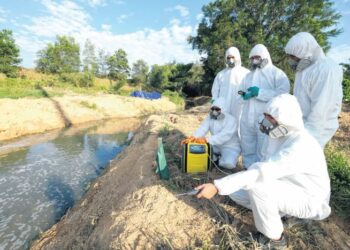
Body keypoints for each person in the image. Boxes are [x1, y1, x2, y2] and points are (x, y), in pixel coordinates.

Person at [195, 94, 331, 249]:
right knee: (236, 191)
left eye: (270, 117)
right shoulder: (280, 137)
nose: (265, 121)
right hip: (287, 187)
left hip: (310, 199)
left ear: (285, 119)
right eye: (265, 115)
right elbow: (263, 164)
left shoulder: (300, 145)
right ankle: (280, 213)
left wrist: (217, 186)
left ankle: (276, 239)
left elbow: (262, 172)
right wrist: (227, 186)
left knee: (257, 187)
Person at [285, 32, 343, 148]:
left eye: (294, 57)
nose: (291, 60)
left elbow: (321, 110)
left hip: (317, 129)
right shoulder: (303, 69)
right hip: (302, 124)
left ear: (306, 53)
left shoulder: (326, 69)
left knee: (307, 160)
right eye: (290, 56)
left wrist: (307, 137)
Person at [239, 44, 290, 168]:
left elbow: (283, 94)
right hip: (247, 117)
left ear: (265, 56)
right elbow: (240, 92)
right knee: (247, 145)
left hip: (265, 118)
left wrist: (260, 93)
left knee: (264, 148)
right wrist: (244, 95)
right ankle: (248, 170)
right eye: (252, 58)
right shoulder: (248, 76)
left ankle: (260, 174)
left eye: (257, 57)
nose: (254, 60)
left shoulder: (277, 73)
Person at [193, 98, 240, 169]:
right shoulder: (210, 117)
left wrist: (206, 140)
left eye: (217, 109)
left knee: (228, 164)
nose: (214, 111)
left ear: (223, 109)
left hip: (230, 147)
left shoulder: (231, 120)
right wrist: (193, 138)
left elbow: (224, 136)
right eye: (213, 109)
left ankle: (220, 159)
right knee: (199, 152)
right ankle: (215, 157)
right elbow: (202, 129)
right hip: (215, 145)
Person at [211, 47, 250, 118]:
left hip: (240, 106)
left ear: (237, 57)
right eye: (228, 58)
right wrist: (214, 101)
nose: (230, 60)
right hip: (224, 106)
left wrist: (246, 95)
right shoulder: (221, 74)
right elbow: (215, 90)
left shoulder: (246, 72)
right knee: (224, 124)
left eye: (232, 57)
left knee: (239, 124)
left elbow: (249, 89)